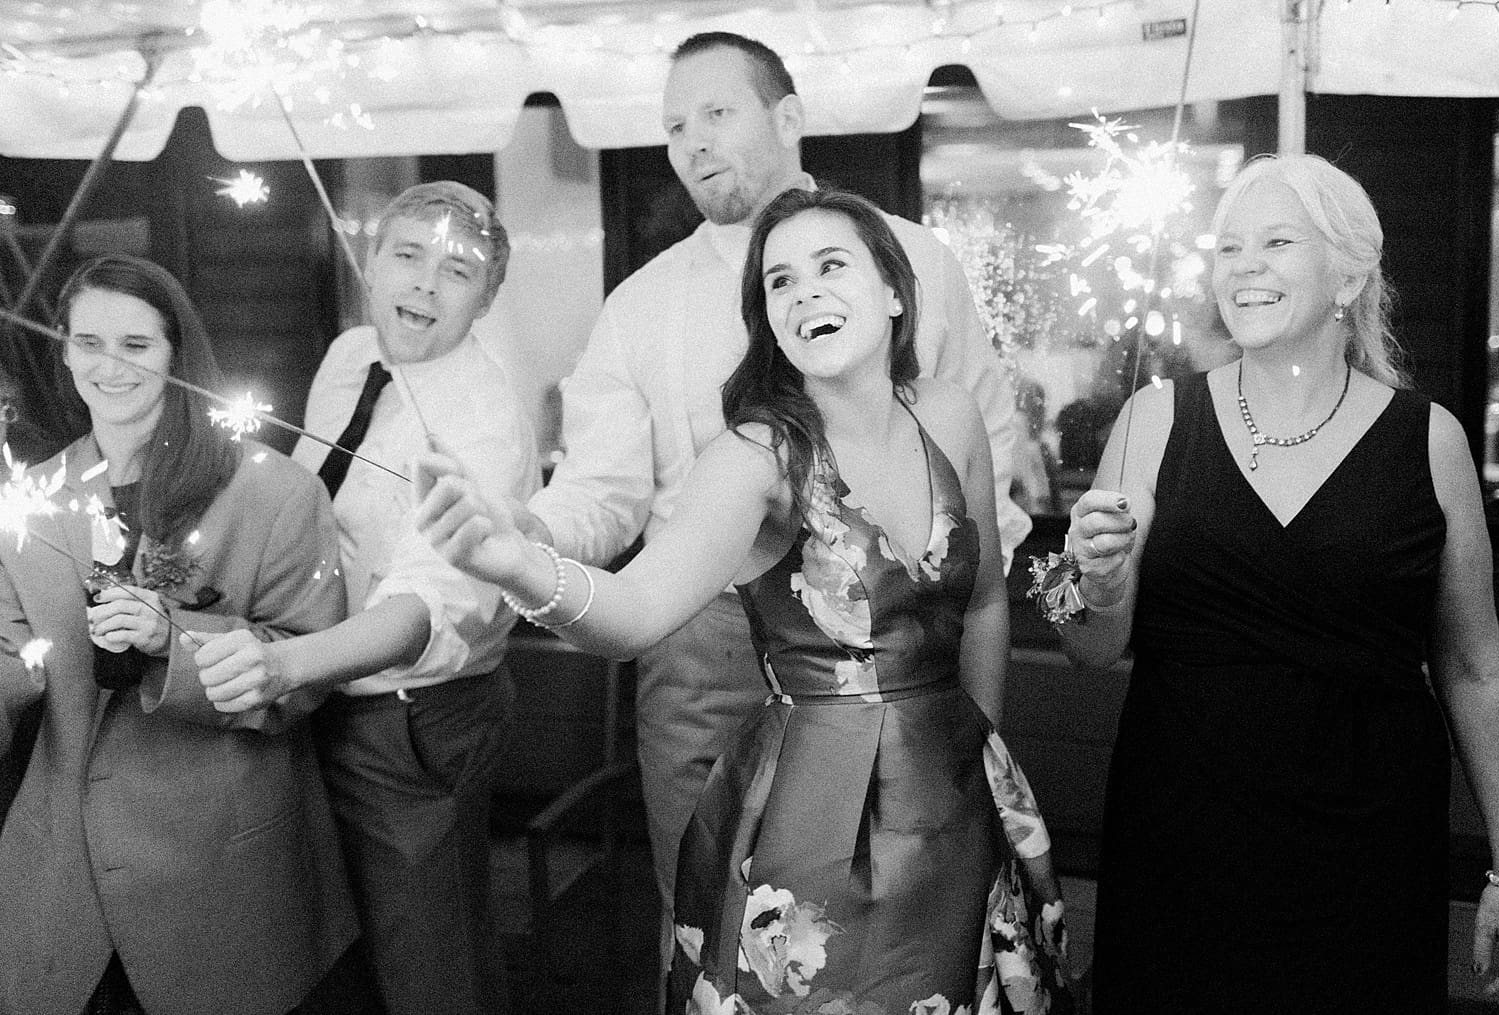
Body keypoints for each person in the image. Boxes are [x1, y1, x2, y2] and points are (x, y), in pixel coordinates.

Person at [418, 185, 1070, 1014]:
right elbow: (636, 611)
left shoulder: (947, 413)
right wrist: (513, 562)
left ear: (895, 291)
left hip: (961, 795)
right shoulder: (756, 454)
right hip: (817, 820)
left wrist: (980, 763)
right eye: (780, 282)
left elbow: (980, 602)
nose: (805, 294)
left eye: (831, 266)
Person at [521, 31, 1030, 972]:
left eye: (717, 113)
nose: (692, 143)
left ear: (788, 117)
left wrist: (970, 709)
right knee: (714, 916)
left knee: (923, 931)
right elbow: (601, 492)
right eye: (674, 126)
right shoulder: (639, 304)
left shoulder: (916, 259)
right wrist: (528, 535)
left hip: (899, 644)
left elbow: (982, 464)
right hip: (700, 640)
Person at [1058, 154, 1499, 1013]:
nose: (1242, 266)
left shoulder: (1428, 441)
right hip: (1181, 834)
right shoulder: (1156, 419)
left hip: (1367, 844)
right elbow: (1087, 646)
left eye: (1275, 242)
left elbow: (1471, 665)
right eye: (1227, 247)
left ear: (1349, 272)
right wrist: (1088, 582)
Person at [190, 182, 539, 1014]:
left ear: (488, 296)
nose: (423, 284)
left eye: (458, 270)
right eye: (407, 254)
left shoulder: (484, 422)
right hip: (319, 695)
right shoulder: (350, 355)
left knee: (430, 972)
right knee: (336, 955)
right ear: (370, 264)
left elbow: (422, 611)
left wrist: (282, 663)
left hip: (413, 722)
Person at [0, 254, 357, 1014]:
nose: (109, 364)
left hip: (222, 868)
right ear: (61, 350)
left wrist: (175, 639)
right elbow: (10, 659)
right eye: (88, 342)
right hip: (69, 872)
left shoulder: (278, 492)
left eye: (137, 345)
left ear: (178, 354)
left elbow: (309, 671)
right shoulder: (26, 500)